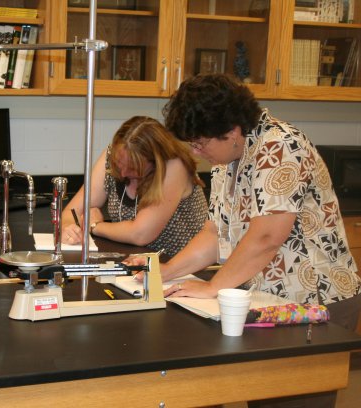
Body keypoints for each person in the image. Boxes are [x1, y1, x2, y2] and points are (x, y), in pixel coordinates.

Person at [157, 74, 361, 408]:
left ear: (232, 129)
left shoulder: (280, 146)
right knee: (263, 396)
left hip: (315, 302)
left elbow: (267, 236)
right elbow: (215, 232)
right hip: (267, 301)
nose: (197, 152)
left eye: (200, 143)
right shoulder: (228, 158)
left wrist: (213, 287)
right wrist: (164, 273)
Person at [61, 116, 207, 257]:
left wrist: (94, 225)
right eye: (119, 163)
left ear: (155, 160)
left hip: (183, 269)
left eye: (133, 168)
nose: (123, 173)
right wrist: (70, 229)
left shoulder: (175, 166)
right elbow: (72, 212)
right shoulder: (111, 156)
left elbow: (140, 234)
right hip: (136, 264)